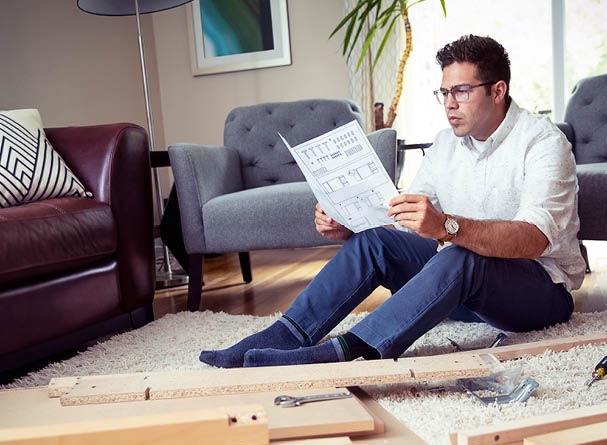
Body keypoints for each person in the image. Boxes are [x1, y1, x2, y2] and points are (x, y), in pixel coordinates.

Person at [199, 35, 586, 369]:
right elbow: (406, 222)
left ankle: (355, 351)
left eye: (462, 92)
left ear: (497, 91)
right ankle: (287, 334)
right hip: (464, 295)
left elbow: (535, 238)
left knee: (460, 252)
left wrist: (448, 227)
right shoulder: (446, 144)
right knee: (374, 243)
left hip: (538, 295)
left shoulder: (542, 142)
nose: (449, 104)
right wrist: (352, 225)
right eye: (444, 92)